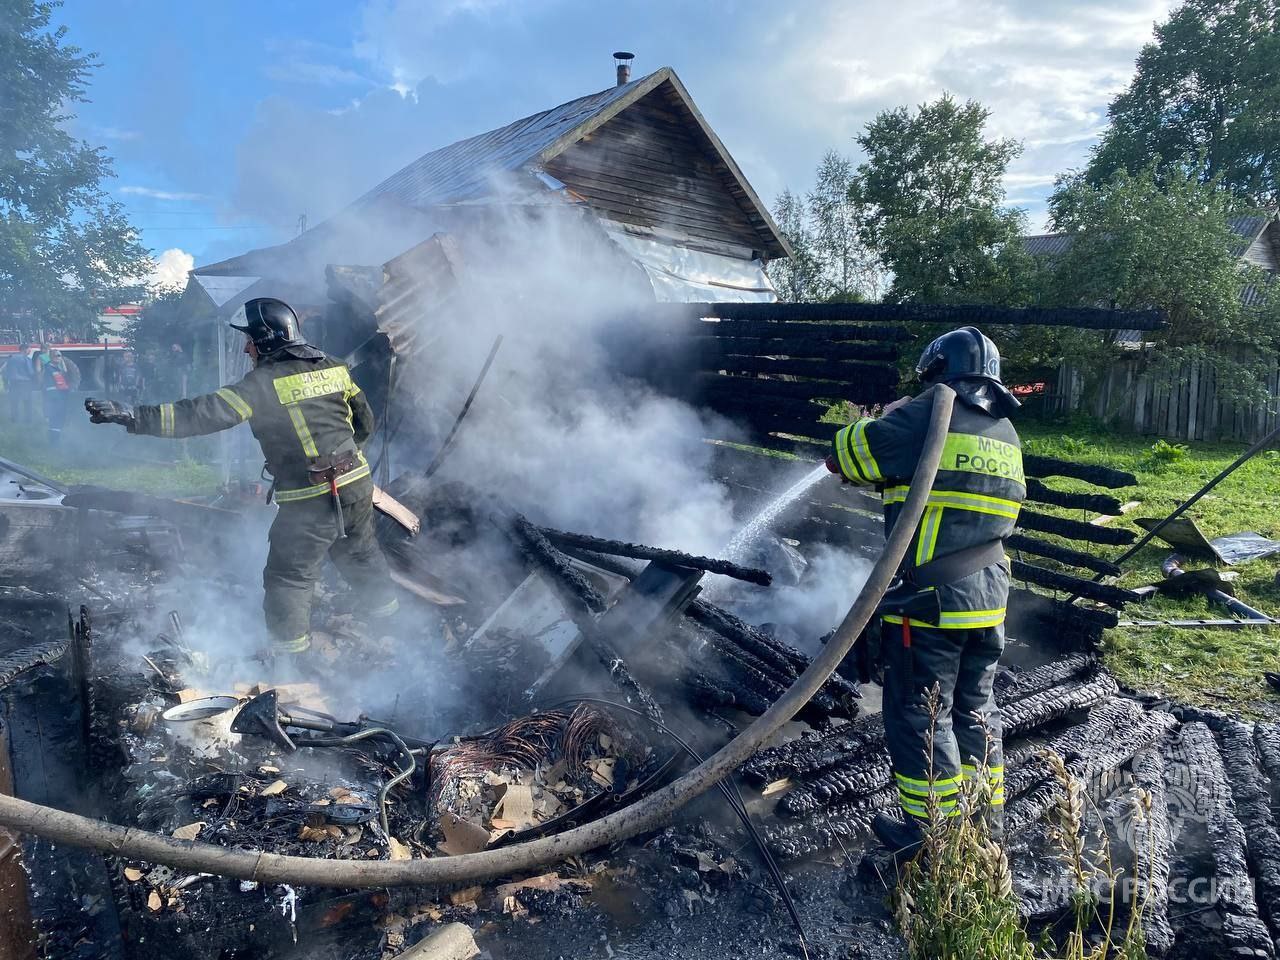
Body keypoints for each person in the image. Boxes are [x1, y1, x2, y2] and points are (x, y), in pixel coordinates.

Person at [84, 297, 399, 665]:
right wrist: (350, 459)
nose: (247, 347)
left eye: (250, 339)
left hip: (313, 498)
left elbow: (201, 415)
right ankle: (391, 630)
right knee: (361, 554)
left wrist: (134, 416)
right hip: (358, 484)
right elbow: (365, 423)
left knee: (288, 578)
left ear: (266, 340)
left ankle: (292, 663)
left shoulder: (261, 384)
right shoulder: (334, 367)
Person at [825, 326, 1024, 857]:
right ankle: (984, 826)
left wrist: (885, 416)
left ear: (935, 371)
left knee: (921, 715)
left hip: (932, 605)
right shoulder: (1004, 431)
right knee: (976, 711)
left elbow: (844, 455)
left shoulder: (928, 414)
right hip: (988, 600)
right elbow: (935, 491)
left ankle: (931, 838)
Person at [41, 348, 80, 444]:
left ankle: (55, 442)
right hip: (55, 399)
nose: (59, 357)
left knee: (59, 420)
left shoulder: (57, 369)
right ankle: (54, 443)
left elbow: (63, 383)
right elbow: (49, 386)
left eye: (60, 356)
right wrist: (54, 399)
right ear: (51, 357)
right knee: (55, 420)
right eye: (56, 356)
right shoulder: (48, 369)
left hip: (61, 397)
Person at [2, 347, 36, 422]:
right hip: (25, 383)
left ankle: (14, 419)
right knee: (27, 403)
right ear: (24, 350)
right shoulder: (26, 359)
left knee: (14, 402)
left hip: (13, 383)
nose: (30, 351)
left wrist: (6, 384)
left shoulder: (11, 359)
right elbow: (30, 372)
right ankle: (28, 420)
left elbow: (5, 372)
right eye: (29, 349)